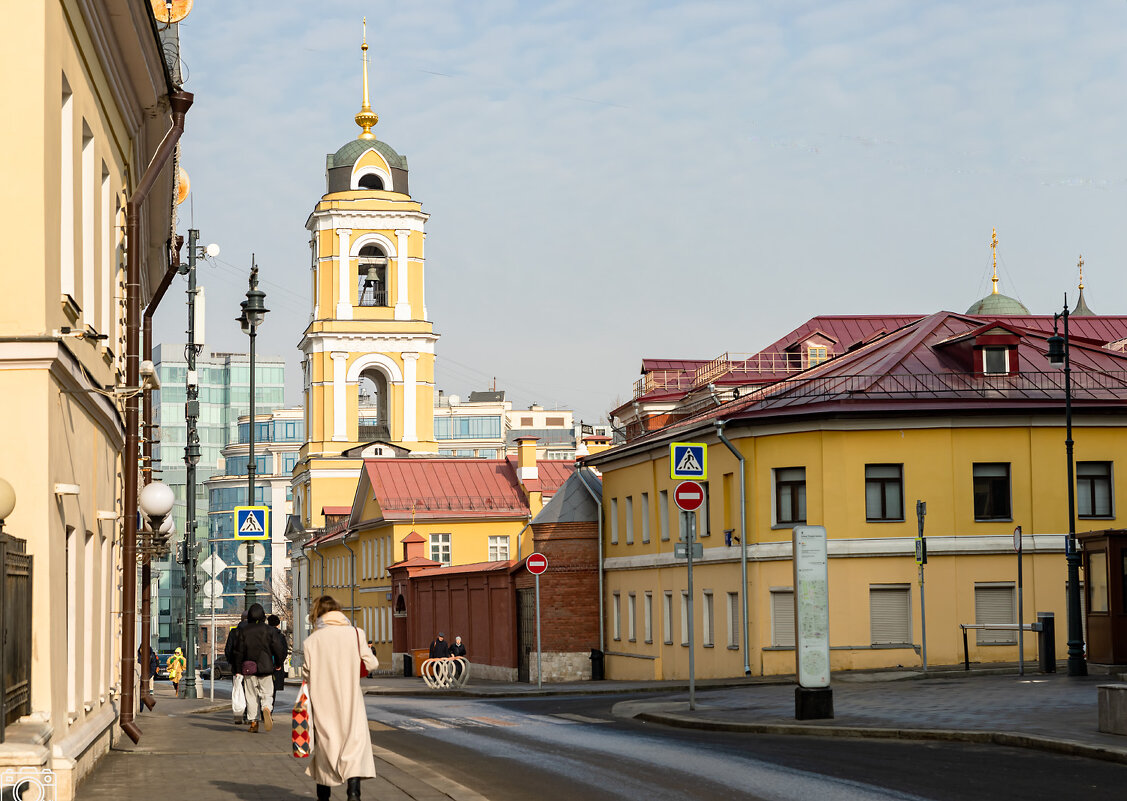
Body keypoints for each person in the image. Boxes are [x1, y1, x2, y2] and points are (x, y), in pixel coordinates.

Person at [303, 595, 378, 801]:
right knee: (354, 746)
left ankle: (324, 797)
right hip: (351, 701)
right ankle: (353, 793)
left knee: (326, 748)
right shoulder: (355, 633)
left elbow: (306, 674)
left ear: (317, 614)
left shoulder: (311, 641)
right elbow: (371, 664)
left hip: (323, 702)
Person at [232, 603, 285, 733]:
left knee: (251, 695)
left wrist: (238, 669)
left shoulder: (243, 631)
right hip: (266, 667)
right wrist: (278, 663)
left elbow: (238, 652)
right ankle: (266, 708)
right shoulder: (270, 631)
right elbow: (278, 649)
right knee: (267, 692)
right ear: (263, 616)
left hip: (249, 668)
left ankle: (254, 722)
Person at [225, 612, 249, 723]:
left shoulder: (233, 632)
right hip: (250, 667)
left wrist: (232, 662)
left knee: (237, 690)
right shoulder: (252, 632)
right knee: (250, 691)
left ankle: (238, 713)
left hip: (237, 667)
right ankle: (249, 715)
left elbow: (228, 650)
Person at [267, 613, 289, 708]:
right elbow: (284, 651)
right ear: (278, 624)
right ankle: (269, 708)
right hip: (276, 667)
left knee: (264, 688)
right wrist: (279, 664)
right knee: (273, 689)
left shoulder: (264, 634)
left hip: (264, 665)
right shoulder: (280, 636)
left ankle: (264, 707)